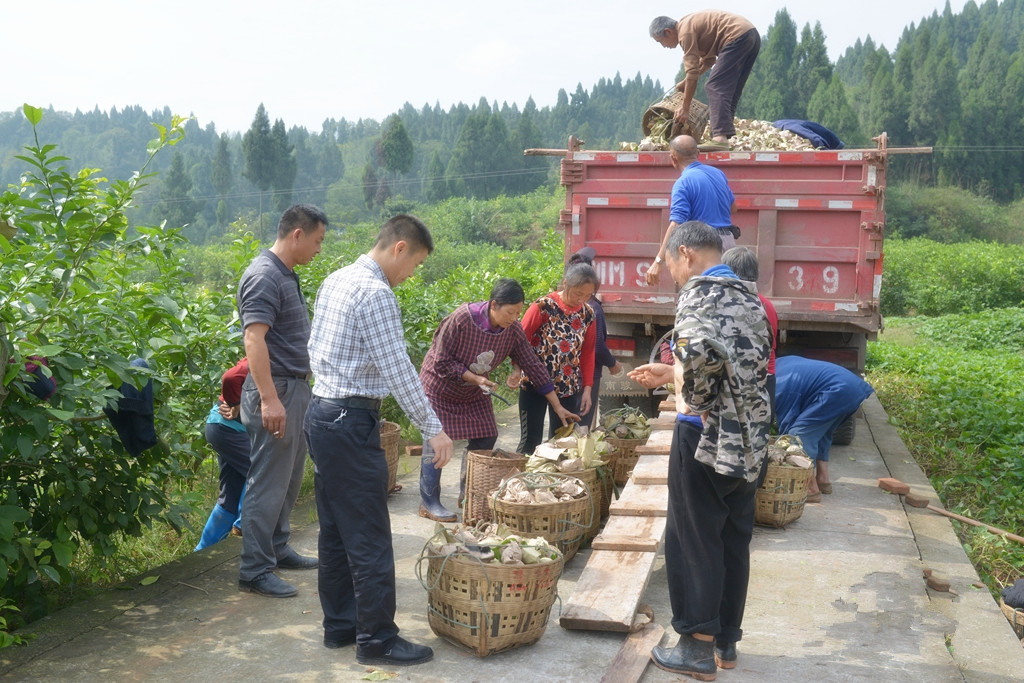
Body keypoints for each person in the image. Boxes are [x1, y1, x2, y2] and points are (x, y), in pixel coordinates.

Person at [305, 214, 453, 666]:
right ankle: (377, 640)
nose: (412, 274)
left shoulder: (336, 279)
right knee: (369, 535)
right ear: (400, 248)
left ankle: (341, 627)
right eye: (416, 263)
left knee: (334, 530)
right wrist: (433, 428)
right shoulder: (375, 293)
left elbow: (313, 347)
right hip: (350, 422)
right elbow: (398, 370)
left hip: (322, 413)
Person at [628, 221, 771, 679]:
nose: (670, 273)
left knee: (694, 539)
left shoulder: (698, 294)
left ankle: (694, 647)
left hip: (706, 439)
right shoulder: (750, 296)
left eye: (669, 263)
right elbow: (741, 361)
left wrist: (698, 401)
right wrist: (671, 372)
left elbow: (695, 358)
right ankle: (726, 643)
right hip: (750, 440)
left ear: (685, 254)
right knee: (733, 540)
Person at [418, 278, 579, 522]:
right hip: (439, 386)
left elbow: (533, 365)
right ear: (493, 305)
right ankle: (429, 502)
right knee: (436, 440)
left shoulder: (512, 330)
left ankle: (468, 493)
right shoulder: (462, 319)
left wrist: (557, 406)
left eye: (518, 312)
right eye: (509, 312)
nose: (514, 317)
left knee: (486, 435)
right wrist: (475, 378)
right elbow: (441, 361)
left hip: (473, 390)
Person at [236, 204, 326, 599]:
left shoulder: (284, 275)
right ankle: (255, 570)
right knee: (268, 483)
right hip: (278, 392)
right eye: (318, 241)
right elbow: (254, 339)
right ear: (297, 235)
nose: (319, 250)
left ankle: (277, 547)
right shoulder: (263, 276)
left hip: (294, 389)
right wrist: (270, 399)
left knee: (289, 479)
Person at [517, 261, 600, 455]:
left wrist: (587, 389)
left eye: (588, 295)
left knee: (562, 442)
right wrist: (515, 368)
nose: (582, 299)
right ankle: (521, 481)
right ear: (565, 284)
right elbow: (519, 340)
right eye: (578, 293)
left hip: (567, 387)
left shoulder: (588, 314)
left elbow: (588, 353)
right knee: (530, 442)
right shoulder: (543, 306)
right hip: (534, 385)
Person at [650, 12, 761, 146]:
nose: (664, 46)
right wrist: (685, 83)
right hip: (751, 35)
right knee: (731, 90)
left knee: (714, 86)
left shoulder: (685, 33)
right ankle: (725, 137)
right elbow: (708, 61)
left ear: (668, 32)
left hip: (737, 36)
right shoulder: (689, 25)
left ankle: (719, 138)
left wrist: (685, 108)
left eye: (660, 41)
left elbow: (692, 73)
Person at [774, 355, 874, 502]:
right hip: (852, 387)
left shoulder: (778, 384)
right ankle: (823, 480)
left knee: (797, 436)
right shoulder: (779, 364)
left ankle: (811, 489)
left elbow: (787, 423)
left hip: (836, 390)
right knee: (821, 433)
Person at [646, 135, 736, 287]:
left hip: (704, 250)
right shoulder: (718, 173)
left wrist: (658, 261)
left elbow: (676, 224)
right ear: (698, 154)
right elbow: (733, 208)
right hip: (728, 244)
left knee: (701, 298)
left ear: (673, 158)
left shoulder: (683, 183)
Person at [195, 357, 251, 551]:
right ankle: (244, 524)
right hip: (228, 428)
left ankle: (202, 552)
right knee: (262, 470)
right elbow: (231, 376)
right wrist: (236, 404)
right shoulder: (262, 356)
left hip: (223, 428)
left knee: (231, 492)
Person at [567, 247, 623, 429]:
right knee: (580, 426)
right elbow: (597, 346)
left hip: (568, 376)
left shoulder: (566, 305)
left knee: (568, 427)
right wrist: (613, 364)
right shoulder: (593, 309)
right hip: (585, 376)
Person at [721, 246, 778, 428]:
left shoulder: (725, 304)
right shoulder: (766, 304)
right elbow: (771, 346)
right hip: (764, 380)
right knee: (757, 442)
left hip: (735, 383)